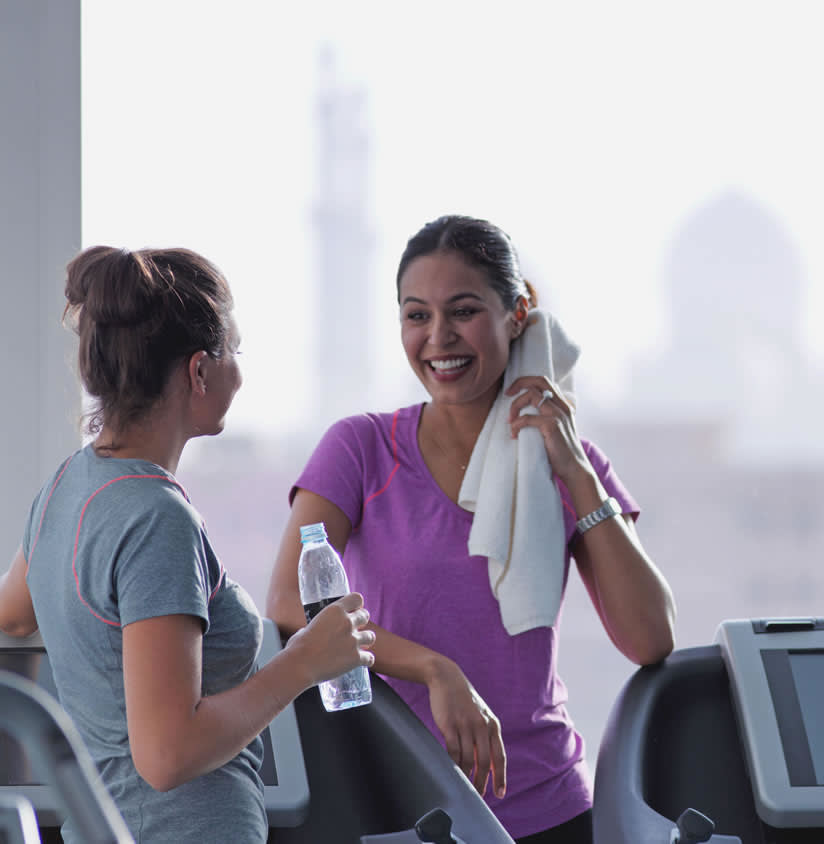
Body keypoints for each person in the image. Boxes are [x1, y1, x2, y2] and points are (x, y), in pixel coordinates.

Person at [265, 215, 676, 843]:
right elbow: (291, 603)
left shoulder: (571, 465)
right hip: (401, 802)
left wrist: (575, 473)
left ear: (519, 312)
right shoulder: (362, 448)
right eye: (417, 316)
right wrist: (433, 667)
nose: (438, 338)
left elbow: (651, 639)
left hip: (550, 808)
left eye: (462, 311)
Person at [0, 246, 376, 843]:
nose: (241, 372)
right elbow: (168, 755)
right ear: (200, 372)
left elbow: (14, 615)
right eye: (237, 352)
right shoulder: (158, 520)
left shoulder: (67, 486)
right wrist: (304, 663)